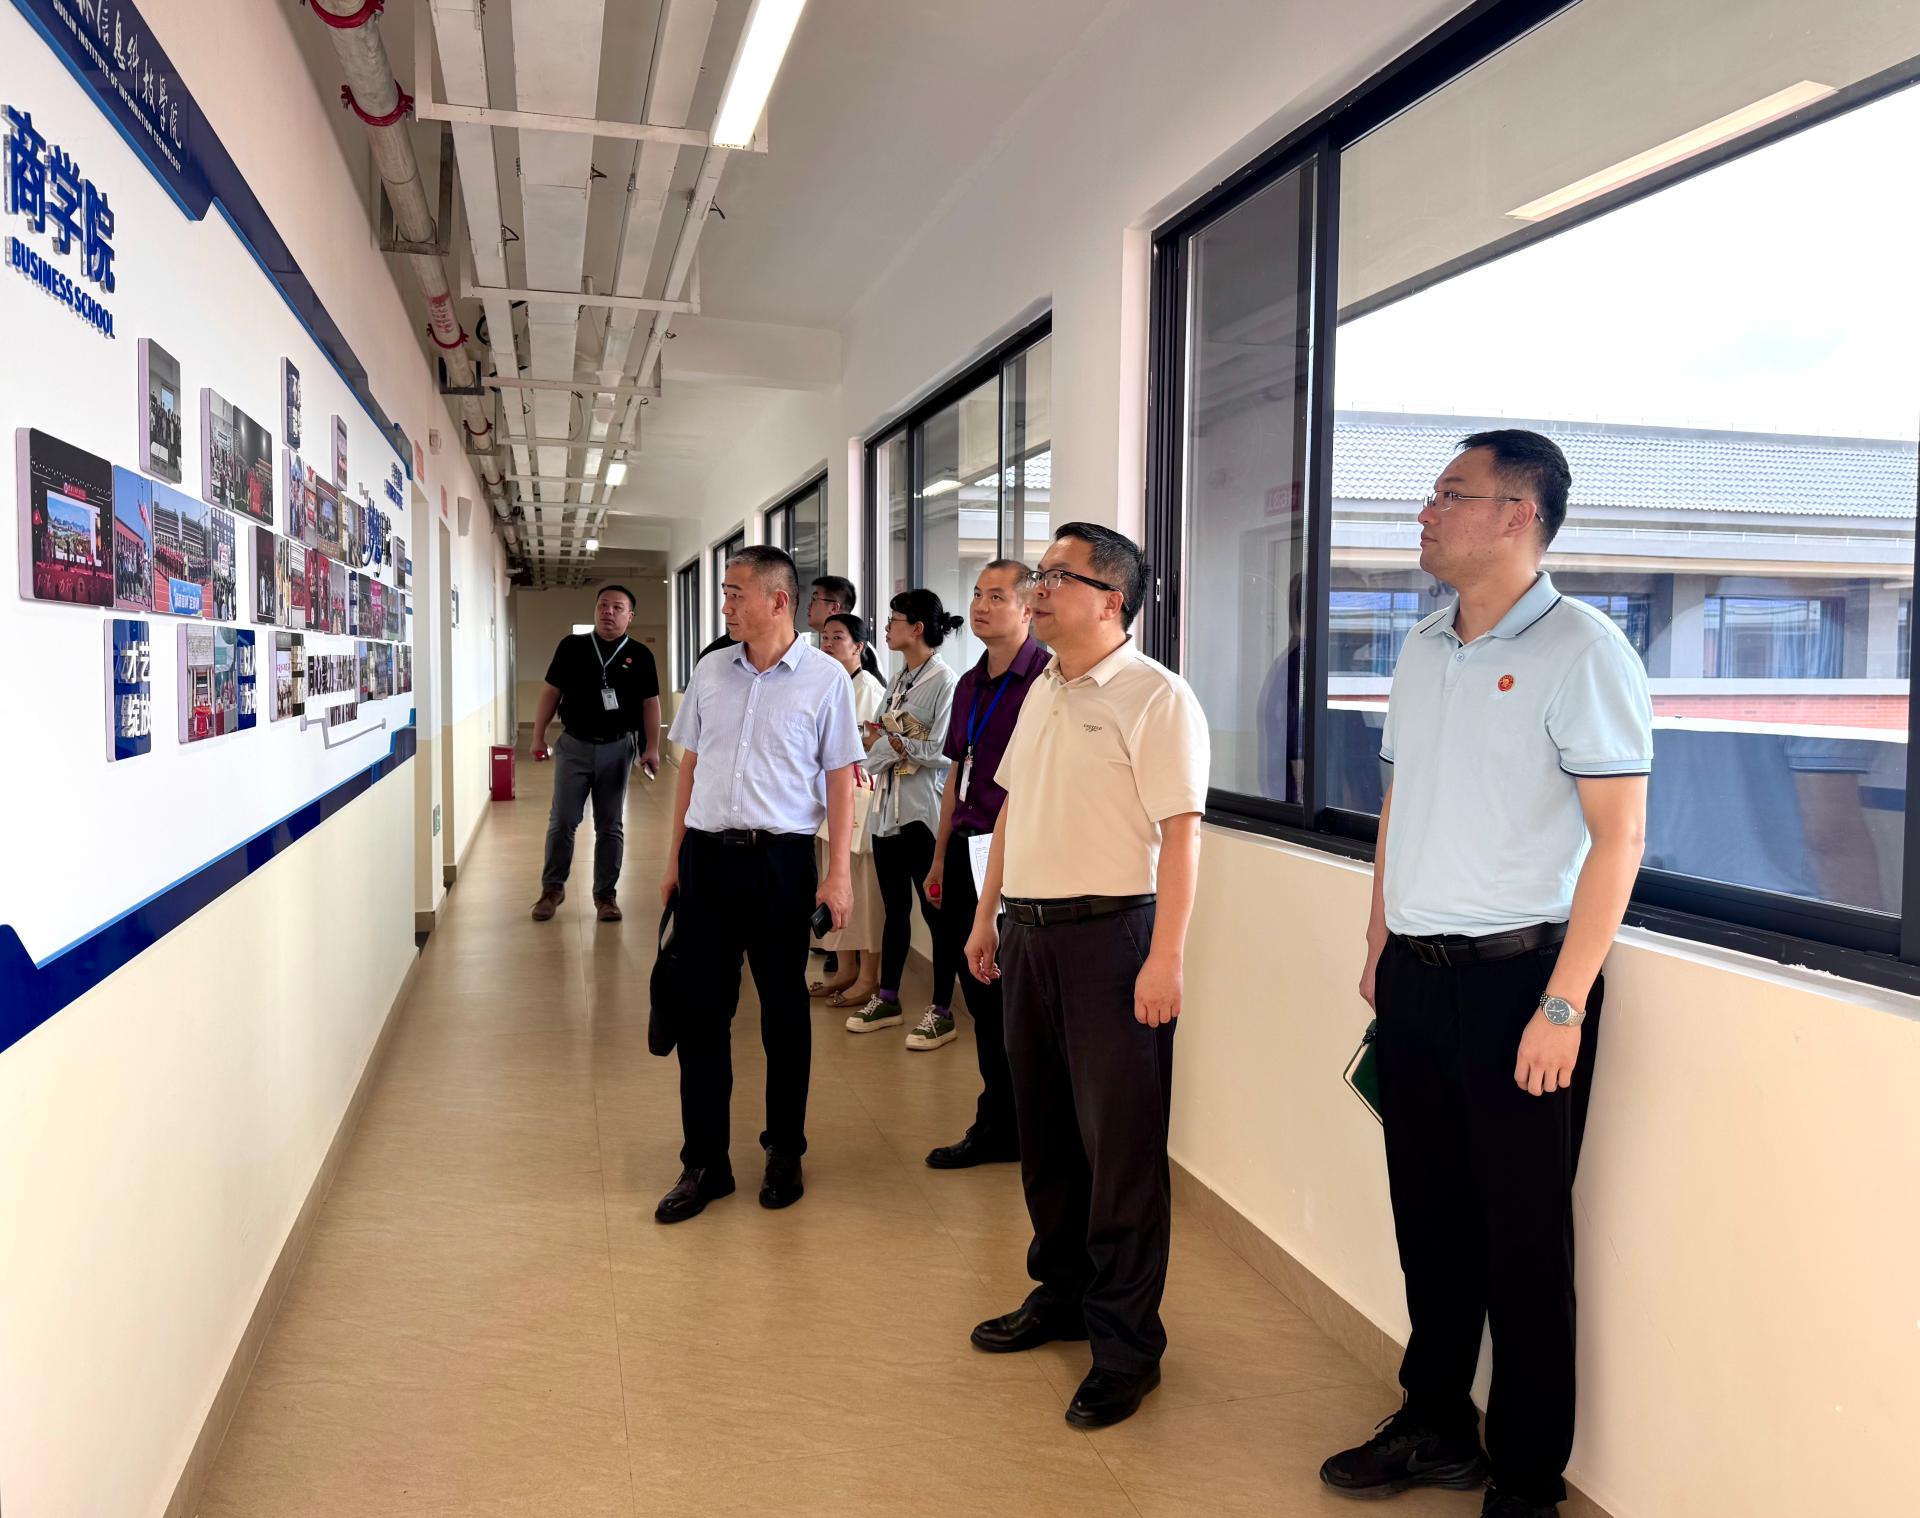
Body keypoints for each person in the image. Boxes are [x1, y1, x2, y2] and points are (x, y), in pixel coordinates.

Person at [1319, 431, 1650, 1518]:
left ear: (1518, 514)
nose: (1425, 511)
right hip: (1417, 977)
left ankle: (1527, 1478)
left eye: (1449, 494)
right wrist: (1380, 940)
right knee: (1429, 1218)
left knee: (1523, 1239)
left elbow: (1619, 840)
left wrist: (1566, 1001)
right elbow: (1399, 805)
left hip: (1523, 985)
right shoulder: (1422, 646)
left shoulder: (1584, 649)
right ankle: (1434, 1423)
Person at [963, 523, 1209, 1431]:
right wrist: (988, 915)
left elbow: (1182, 835)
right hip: (1028, 936)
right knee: (1047, 1136)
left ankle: (1127, 1347)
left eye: (1056, 576)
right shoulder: (1044, 687)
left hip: (1113, 940)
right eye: (1038, 574)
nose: (1036, 589)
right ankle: (1060, 1293)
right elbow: (1014, 810)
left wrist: (1166, 957)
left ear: (1111, 599)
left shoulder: (1156, 696)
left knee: (1122, 1153)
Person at [655, 546, 863, 1224]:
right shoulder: (711, 670)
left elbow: (840, 778)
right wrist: (674, 859)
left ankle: (784, 1150)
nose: (725, 605)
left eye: (735, 592)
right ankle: (704, 1163)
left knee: (784, 1014)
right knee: (702, 1015)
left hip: (781, 863)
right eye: (724, 592)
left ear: (778, 601)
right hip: (707, 861)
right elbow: (690, 768)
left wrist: (838, 874)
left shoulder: (826, 679)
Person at [921, 558, 1046, 1168]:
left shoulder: (1047, 680)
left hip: (1021, 861)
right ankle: (999, 1124)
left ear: (1027, 608)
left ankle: (1034, 1129)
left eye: (997, 596)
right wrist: (938, 857)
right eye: (976, 593)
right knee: (981, 996)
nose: (980, 605)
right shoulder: (970, 683)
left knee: (1022, 1003)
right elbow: (957, 776)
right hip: (967, 852)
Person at [843, 589, 962, 1049]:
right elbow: (872, 742)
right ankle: (888, 998)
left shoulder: (945, 681)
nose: (887, 628)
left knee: (936, 914)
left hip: (923, 815)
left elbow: (943, 751)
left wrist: (894, 744)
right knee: (894, 910)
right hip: (887, 812)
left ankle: (942, 1011)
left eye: (894, 620)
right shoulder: (896, 679)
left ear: (917, 627)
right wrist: (893, 745)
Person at [528, 585, 661, 924]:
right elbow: (551, 692)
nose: (608, 612)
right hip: (574, 745)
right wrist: (538, 736)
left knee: (610, 824)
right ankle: (552, 889)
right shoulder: (571, 647)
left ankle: (605, 896)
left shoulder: (640, 655)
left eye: (617, 607)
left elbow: (650, 703)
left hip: (618, 747)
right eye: (603, 605)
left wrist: (652, 747)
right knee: (563, 820)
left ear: (630, 616)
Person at [809, 613, 887, 1005]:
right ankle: (844, 970)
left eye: (837, 637)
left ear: (859, 646)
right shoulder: (827, 682)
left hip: (860, 803)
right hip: (828, 803)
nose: (828, 643)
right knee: (831, 885)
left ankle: (868, 976)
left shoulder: (868, 688)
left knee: (863, 892)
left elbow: (870, 747)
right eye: (824, 637)